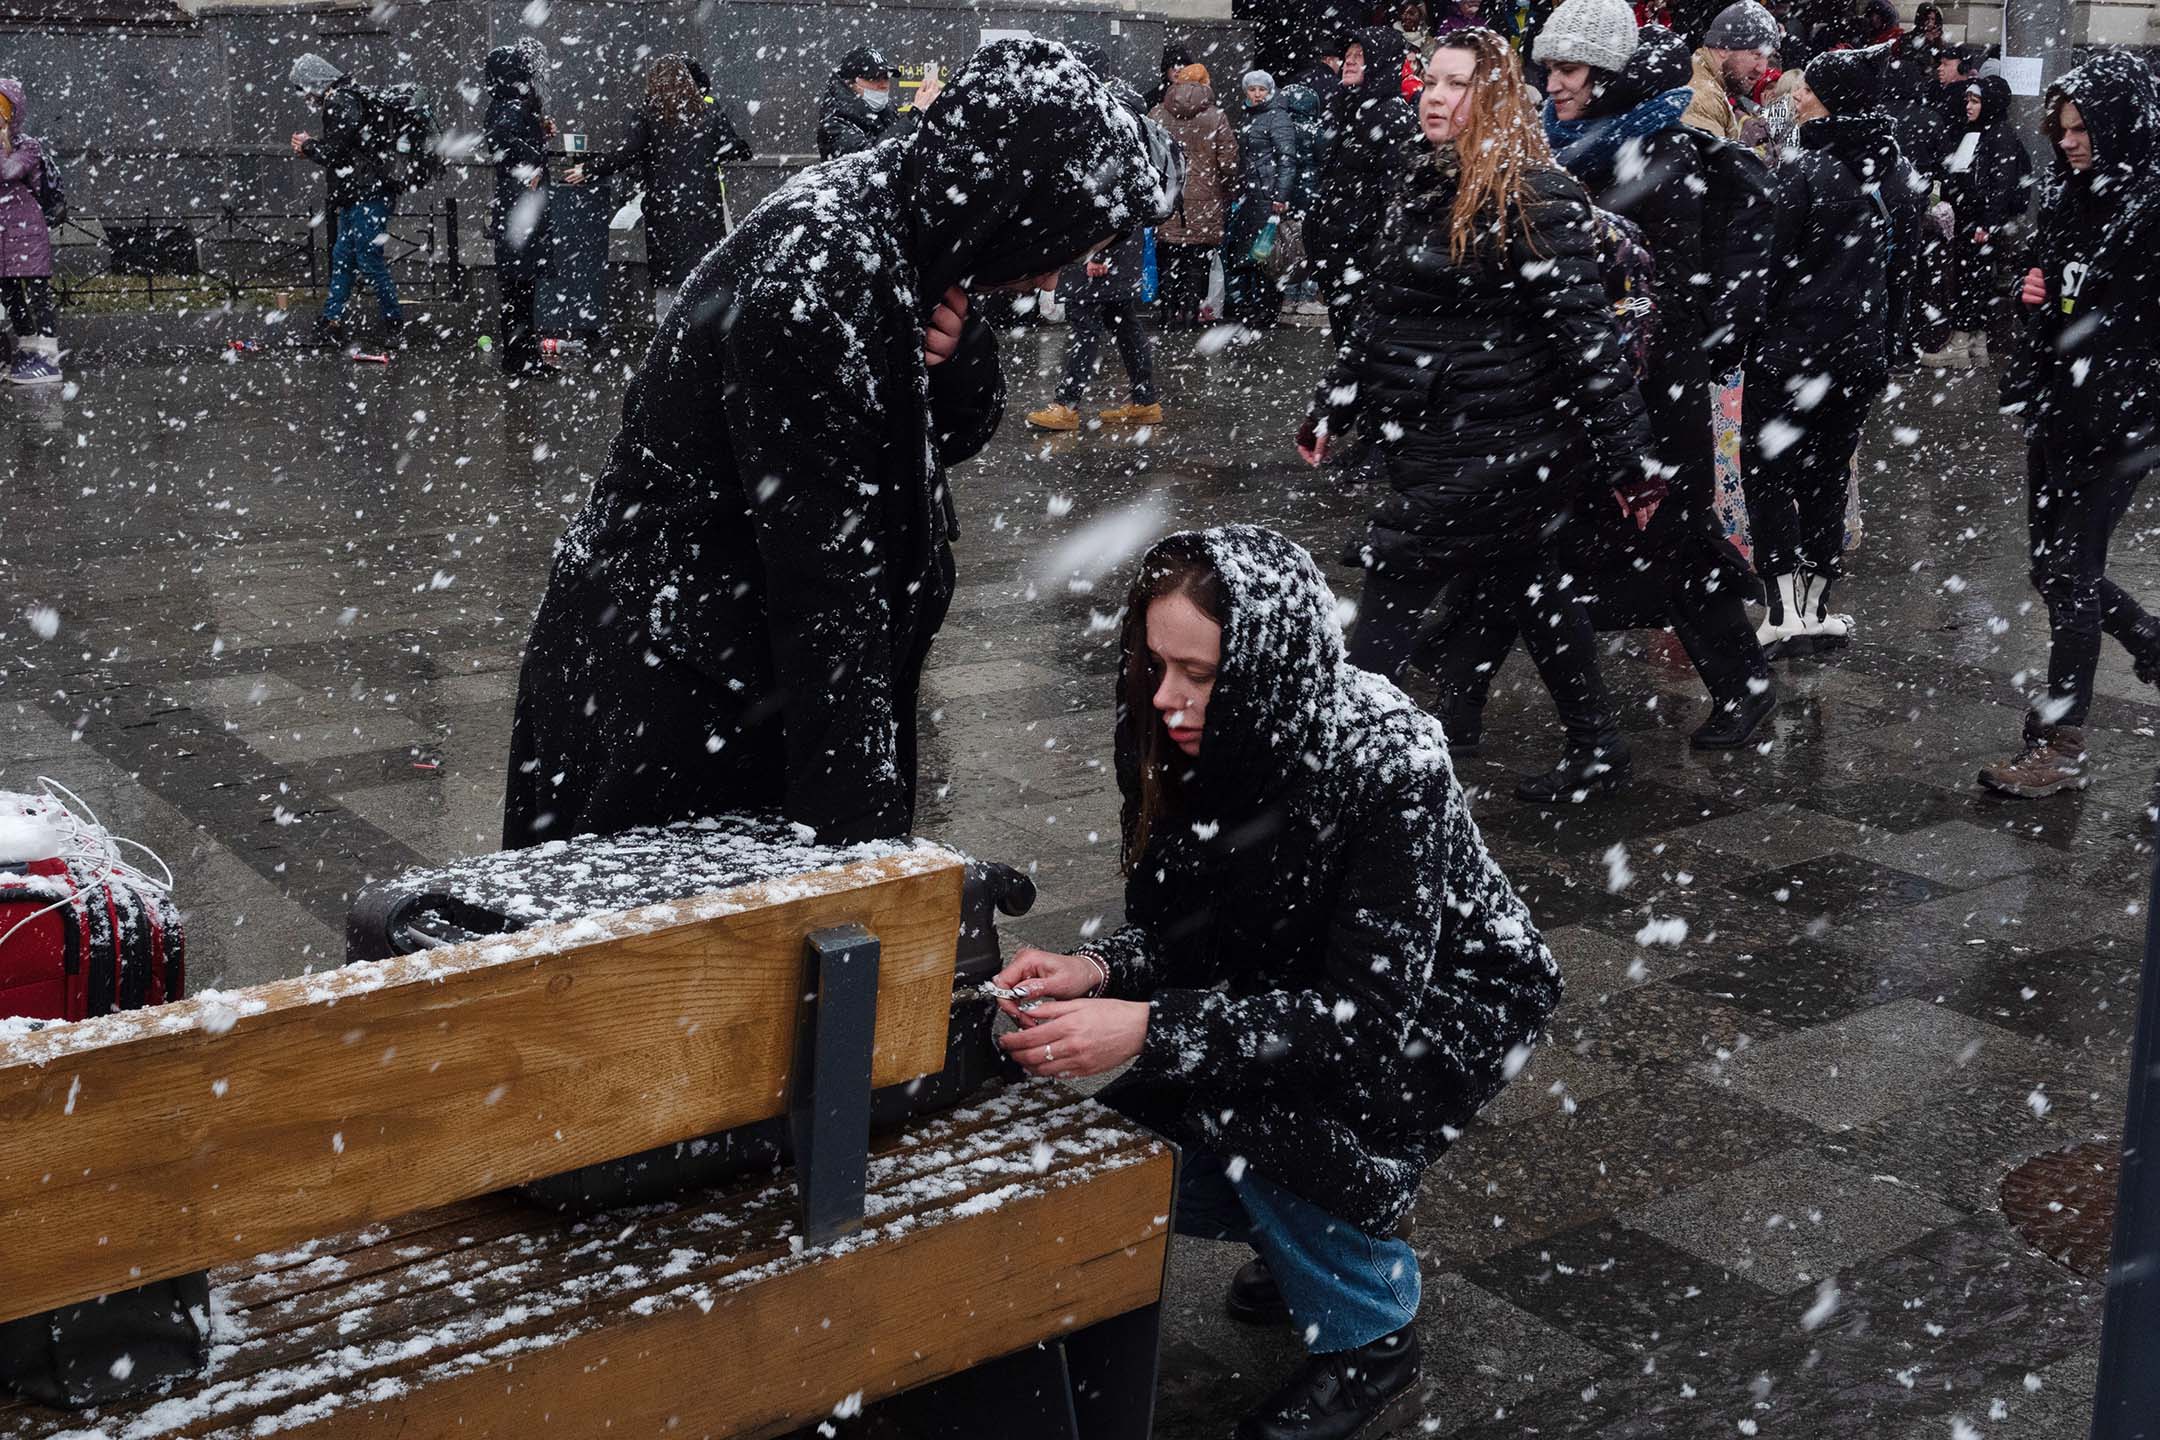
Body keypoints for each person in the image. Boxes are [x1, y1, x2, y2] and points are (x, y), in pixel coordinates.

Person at [503, 40, 1169, 846]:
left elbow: (948, 435)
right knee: (668, 956)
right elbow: (823, 581)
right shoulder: (817, 271)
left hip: (732, 670)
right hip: (678, 689)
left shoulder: (925, 229)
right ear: (1019, 210)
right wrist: (859, 849)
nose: (1060, 277)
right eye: (1067, 246)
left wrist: (950, 361)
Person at [991, 524, 1561, 1440]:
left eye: (1202, 676)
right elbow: (1192, 931)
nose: (1170, 700)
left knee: (1258, 1109)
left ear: (1267, 666)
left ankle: (1370, 1334)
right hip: (1306, 986)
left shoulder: (1390, 760)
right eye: (1155, 664)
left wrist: (1144, 1029)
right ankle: (1304, 1233)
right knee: (1134, 1142)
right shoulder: (1177, 734)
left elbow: (1359, 1026)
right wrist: (1101, 969)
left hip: (1446, 1005)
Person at [1302, 27, 1660, 802]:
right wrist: (1333, 402)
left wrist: (1630, 460)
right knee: (1533, 581)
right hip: (1433, 433)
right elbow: (1380, 309)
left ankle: (1339, 764)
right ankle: (1597, 744)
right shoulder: (1425, 179)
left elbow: (1585, 338)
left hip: (1504, 440)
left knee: (1396, 572)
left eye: (1457, 83)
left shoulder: (1537, 194)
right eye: (1431, 80)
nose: (1435, 95)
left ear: (1493, 97)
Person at [1462, 9, 1774, 749]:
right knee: (1522, 541)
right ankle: (1460, 699)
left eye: (1573, 71)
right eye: (1552, 68)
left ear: (1609, 76)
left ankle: (1743, 687)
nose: (1556, 84)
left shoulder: (1658, 157)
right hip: (1590, 386)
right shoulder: (1568, 150)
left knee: (1673, 542)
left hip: (1649, 392)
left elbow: (1656, 291)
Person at [1981, 52, 2160, 797]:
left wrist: (2076, 312)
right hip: (2060, 407)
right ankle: (2151, 644)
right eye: (2061, 128)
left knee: (2070, 573)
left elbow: (2129, 323)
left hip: (2118, 421)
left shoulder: (2149, 210)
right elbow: (2058, 292)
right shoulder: (2073, 196)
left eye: (2083, 127)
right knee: (2052, 569)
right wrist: (2040, 296)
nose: (2069, 141)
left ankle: (2060, 742)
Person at [1744, 45, 1923, 656]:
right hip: (1857, 357)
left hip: (1792, 355)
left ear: (1831, 101)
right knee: (1826, 478)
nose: (1797, 97)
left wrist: (1742, 334)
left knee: (1770, 477)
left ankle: (1782, 611)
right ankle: (1818, 609)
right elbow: (1905, 274)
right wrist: (1888, 345)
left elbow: (1764, 270)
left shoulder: (1802, 172)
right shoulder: (1896, 175)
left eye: (1808, 90)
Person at [1027, 44, 1165, 431]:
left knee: (1086, 319)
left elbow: (1108, 188)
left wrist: (1098, 250)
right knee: (1122, 320)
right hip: (1115, 235)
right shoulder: (1122, 105)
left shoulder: (1104, 111)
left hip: (1102, 239)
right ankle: (1144, 400)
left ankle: (1066, 404)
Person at [564, 54, 752, 324]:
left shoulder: (649, 114)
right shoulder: (710, 111)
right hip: (704, 208)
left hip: (666, 212)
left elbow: (626, 153)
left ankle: (669, 343)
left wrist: (588, 169)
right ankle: (708, 342)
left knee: (670, 285)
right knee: (706, 278)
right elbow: (732, 147)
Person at [1305, 25, 1418, 336]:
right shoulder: (1344, 106)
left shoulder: (1391, 117)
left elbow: (1396, 201)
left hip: (1364, 267)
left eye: (1360, 55)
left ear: (1380, 63)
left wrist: (1375, 264)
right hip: (1339, 260)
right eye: (1348, 55)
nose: (1349, 61)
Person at [289, 52, 404, 350]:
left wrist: (309, 146)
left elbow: (338, 152)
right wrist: (315, 147)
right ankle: (331, 321)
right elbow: (349, 147)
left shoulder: (340, 101)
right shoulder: (347, 97)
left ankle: (394, 325)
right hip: (359, 194)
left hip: (367, 194)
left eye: (304, 90)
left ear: (315, 83)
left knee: (366, 259)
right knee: (343, 258)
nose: (306, 98)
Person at [1927, 74, 2032, 368]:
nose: (1969, 106)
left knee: (1972, 280)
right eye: (1969, 100)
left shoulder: (1997, 135)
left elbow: (2001, 184)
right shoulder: (1986, 132)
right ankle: (1976, 343)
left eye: (1976, 101)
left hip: (1979, 224)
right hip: (1975, 221)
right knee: (1976, 280)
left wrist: (1987, 223)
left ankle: (1961, 343)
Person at [482, 40, 553, 378]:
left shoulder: (503, 105)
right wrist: (535, 160)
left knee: (518, 291)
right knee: (521, 292)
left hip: (516, 210)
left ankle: (520, 357)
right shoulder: (510, 107)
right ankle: (522, 358)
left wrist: (538, 133)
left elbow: (504, 141)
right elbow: (504, 141)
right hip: (520, 212)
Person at [1151, 63, 1238, 328]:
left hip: (1167, 197)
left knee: (1167, 257)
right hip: (1204, 198)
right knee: (1197, 261)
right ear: (1205, 84)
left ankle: (1167, 313)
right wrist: (1223, 186)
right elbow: (1229, 162)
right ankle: (1190, 314)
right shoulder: (1216, 116)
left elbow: (1149, 155)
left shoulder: (1157, 113)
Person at [1224, 70, 1298, 332]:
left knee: (1268, 255)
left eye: (1261, 90)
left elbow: (1287, 159)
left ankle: (1266, 310)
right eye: (1252, 89)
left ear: (1270, 91)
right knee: (1253, 254)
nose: (1256, 94)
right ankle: (1254, 307)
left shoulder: (1277, 118)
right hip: (1251, 195)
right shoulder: (1251, 116)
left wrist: (1280, 195)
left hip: (1266, 196)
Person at [0, 78, 60, 386]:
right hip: (2, 233)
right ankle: (26, 346)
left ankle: (49, 355)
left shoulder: (27, 145)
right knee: (10, 293)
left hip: (27, 230)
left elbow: (9, 171)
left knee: (37, 293)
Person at [817, 46, 940, 159]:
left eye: (886, 77)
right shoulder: (834, 124)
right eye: (874, 78)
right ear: (850, 83)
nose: (883, 85)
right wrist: (914, 115)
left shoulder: (888, 113)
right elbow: (870, 161)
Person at [1686, 0, 1779, 140]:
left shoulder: (1708, 84)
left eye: (1768, 57)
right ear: (1724, 49)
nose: (1762, 69)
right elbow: (1712, 160)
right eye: (1756, 55)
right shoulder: (1702, 100)